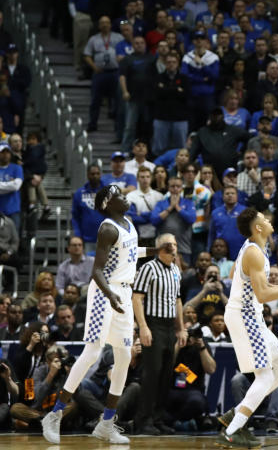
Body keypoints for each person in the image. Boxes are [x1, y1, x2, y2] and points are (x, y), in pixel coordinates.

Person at [41, 185, 146, 445]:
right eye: (119, 195)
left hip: (122, 292)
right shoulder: (107, 228)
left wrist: (157, 252)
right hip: (104, 292)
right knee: (93, 352)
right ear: (107, 203)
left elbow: (129, 255)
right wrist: (110, 296)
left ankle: (106, 423)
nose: (125, 197)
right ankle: (54, 415)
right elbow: (97, 271)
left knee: (123, 356)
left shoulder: (129, 224)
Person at [215, 207, 278, 448]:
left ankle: (236, 414)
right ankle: (232, 430)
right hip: (245, 315)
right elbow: (263, 294)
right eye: (264, 218)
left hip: (252, 316)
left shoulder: (260, 249)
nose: (269, 220)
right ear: (257, 227)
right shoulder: (254, 253)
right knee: (265, 375)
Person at [132, 232, 185, 435]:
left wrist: (180, 328)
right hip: (153, 324)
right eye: (169, 245)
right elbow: (137, 298)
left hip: (170, 327)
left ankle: (157, 417)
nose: (173, 248)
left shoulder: (176, 270)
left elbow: (178, 301)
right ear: (160, 248)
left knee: (165, 376)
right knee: (151, 374)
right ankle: (143, 420)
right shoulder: (148, 268)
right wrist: (143, 327)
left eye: (174, 244)